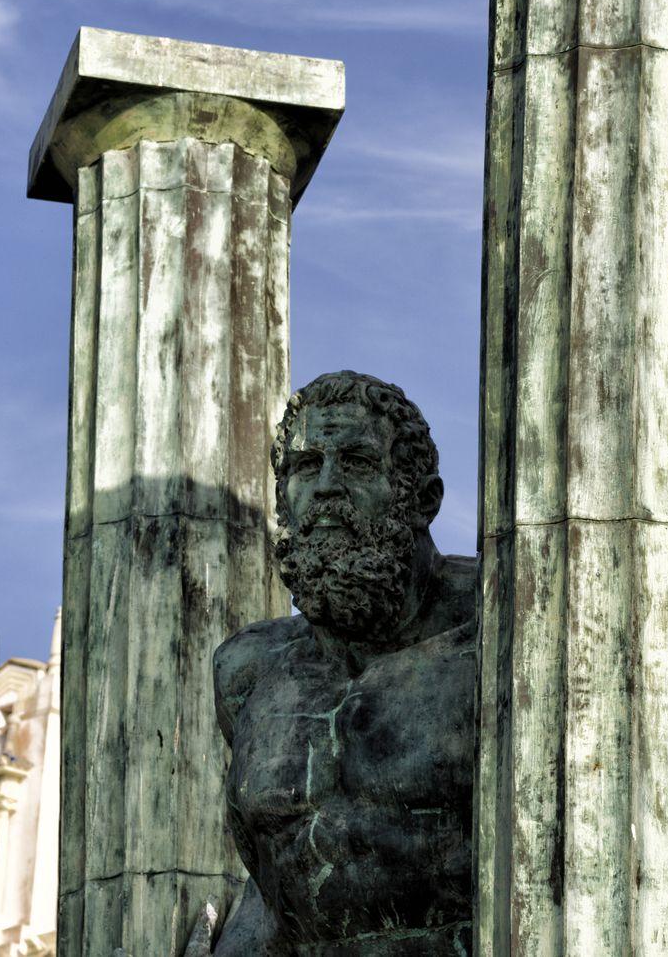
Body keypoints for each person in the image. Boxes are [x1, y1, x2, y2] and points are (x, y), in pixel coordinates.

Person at [213, 371, 476, 956]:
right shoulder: (248, 671)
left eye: (356, 462)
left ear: (423, 499)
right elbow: (268, 893)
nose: (328, 486)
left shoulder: (497, 629)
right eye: (307, 467)